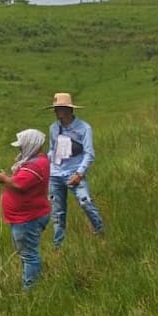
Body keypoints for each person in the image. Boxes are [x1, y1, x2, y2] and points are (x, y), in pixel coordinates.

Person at [46, 92, 105, 249]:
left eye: (60, 108)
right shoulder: (53, 128)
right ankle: (58, 245)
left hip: (74, 172)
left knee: (85, 202)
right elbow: (52, 149)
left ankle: (100, 231)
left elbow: (89, 154)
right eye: (55, 108)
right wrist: (46, 162)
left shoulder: (84, 128)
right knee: (57, 212)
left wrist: (80, 173)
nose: (56, 112)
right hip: (55, 173)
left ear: (68, 109)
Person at [0, 129, 51, 291]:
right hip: (26, 217)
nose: (20, 149)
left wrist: (3, 178)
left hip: (27, 218)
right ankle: (31, 284)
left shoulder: (35, 165)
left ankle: (30, 291)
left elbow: (18, 184)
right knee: (27, 253)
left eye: (22, 146)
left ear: (30, 145)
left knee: (29, 256)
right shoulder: (37, 162)